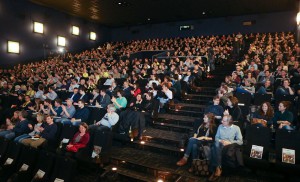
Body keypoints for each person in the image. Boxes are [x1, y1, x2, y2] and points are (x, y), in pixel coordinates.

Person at [209, 115, 243, 181]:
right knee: (216, 144)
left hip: (229, 146)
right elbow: (216, 137)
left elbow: (240, 141)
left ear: (229, 122)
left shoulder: (236, 128)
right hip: (219, 143)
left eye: (224, 121)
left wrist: (229, 142)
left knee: (214, 149)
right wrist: (221, 141)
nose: (221, 121)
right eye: (222, 120)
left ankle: (214, 169)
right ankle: (218, 167)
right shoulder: (220, 126)